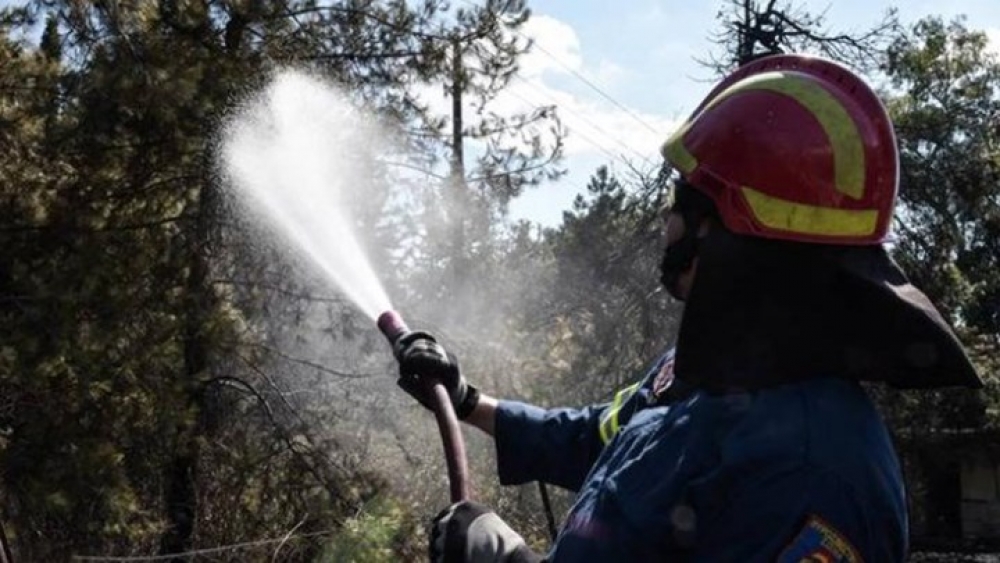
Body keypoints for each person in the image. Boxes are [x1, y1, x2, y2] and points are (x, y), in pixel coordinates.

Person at [394, 54, 984, 562]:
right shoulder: (703, 374)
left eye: (682, 203)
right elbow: (598, 436)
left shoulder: (811, 474)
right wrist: (467, 400)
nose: (666, 222)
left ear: (726, 235)